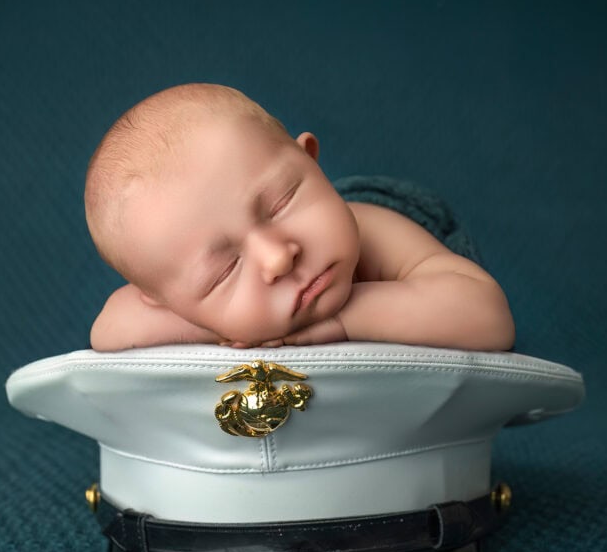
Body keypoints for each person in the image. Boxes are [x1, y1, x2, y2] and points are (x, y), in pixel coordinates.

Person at [84, 84, 515, 352]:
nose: (278, 258)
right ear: (170, 301)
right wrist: (228, 326)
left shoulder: (374, 229)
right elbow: (108, 329)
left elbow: (488, 318)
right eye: (224, 271)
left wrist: (346, 319)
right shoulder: (181, 299)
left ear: (311, 161)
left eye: (280, 203)